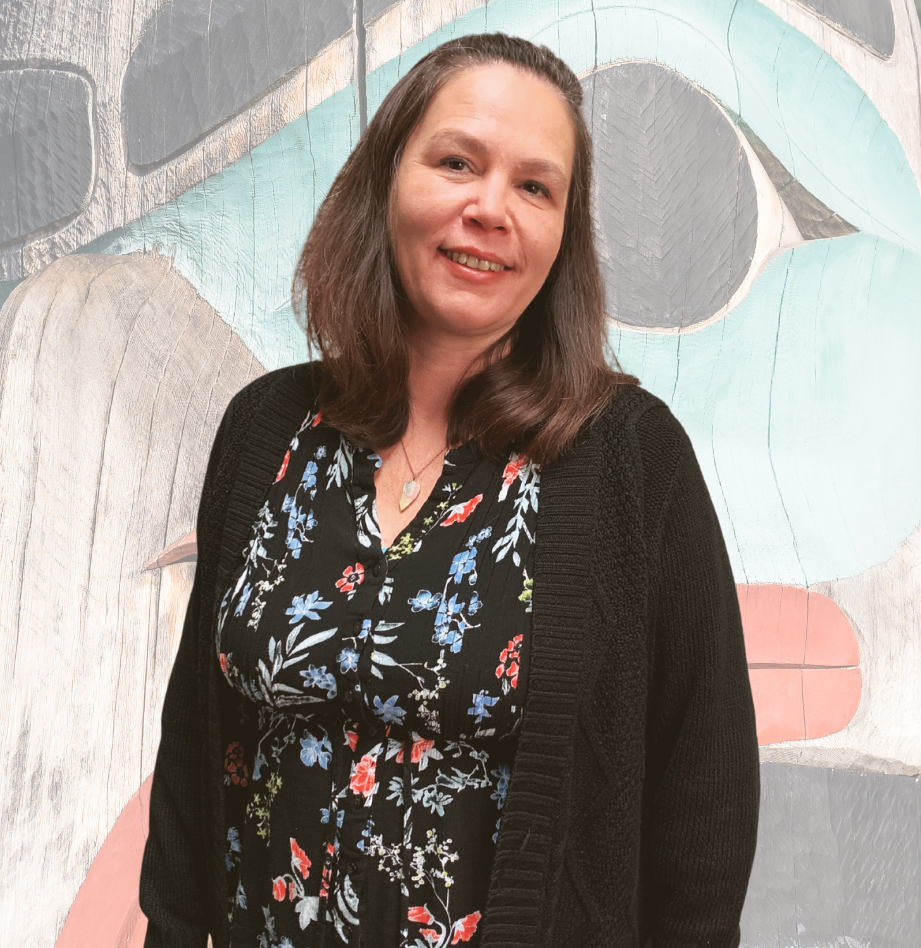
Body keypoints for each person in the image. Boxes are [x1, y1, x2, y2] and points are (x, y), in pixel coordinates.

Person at [140, 32, 760, 948]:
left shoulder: (630, 460)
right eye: (458, 162)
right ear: (387, 181)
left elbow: (701, 813)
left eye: (534, 187)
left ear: (562, 233)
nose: (490, 208)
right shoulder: (266, 430)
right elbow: (196, 760)